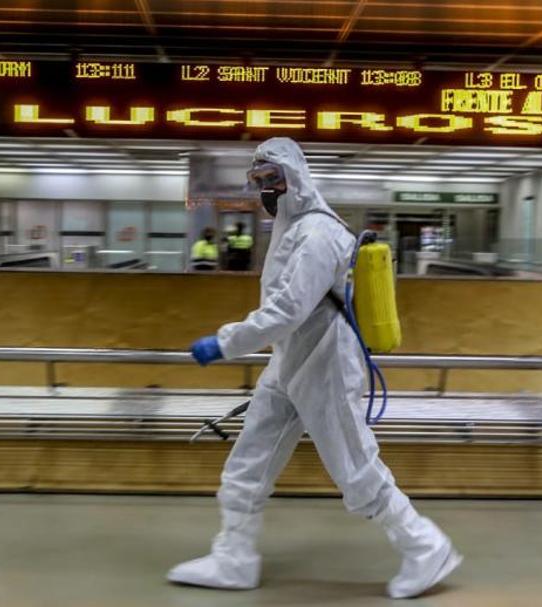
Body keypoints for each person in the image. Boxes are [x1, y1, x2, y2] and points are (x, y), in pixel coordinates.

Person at [168, 138, 459, 599]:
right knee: (248, 462)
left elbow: (288, 309)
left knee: (355, 467)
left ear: (295, 178)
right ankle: (234, 558)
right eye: (259, 181)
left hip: (324, 363)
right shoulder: (293, 229)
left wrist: (225, 343)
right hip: (289, 363)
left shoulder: (318, 234)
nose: (266, 189)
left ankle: (426, 546)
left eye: (273, 179)